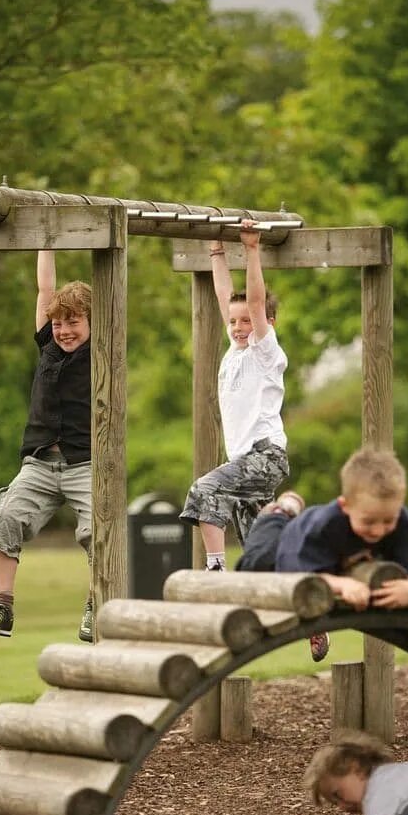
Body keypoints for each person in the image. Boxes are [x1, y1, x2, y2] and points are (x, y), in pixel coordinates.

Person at [0, 250, 94, 642]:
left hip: (86, 462)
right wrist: (46, 241)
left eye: (73, 322)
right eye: (58, 323)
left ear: (93, 322)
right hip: (40, 462)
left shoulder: (103, 353)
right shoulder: (48, 348)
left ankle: (97, 606)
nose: (64, 330)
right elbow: (45, 288)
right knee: (4, 519)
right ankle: (2, 607)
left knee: (101, 531)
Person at [237, 447, 408, 662]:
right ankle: (282, 510)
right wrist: (343, 585)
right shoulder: (327, 526)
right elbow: (302, 576)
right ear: (344, 506)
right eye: (368, 521)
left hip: (329, 552)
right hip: (286, 543)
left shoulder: (402, 521)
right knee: (253, 566)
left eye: (388, 521)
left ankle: (287, 513)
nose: (378, 530)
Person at [179, 221, 289, 571]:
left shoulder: (265, 351)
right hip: (245, 463)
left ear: (268, 323)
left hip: (265, 456)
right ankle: (312, 618)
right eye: (233, 323)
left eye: (246, 322)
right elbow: (226, 297)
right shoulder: (235, 351)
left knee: (203, 490)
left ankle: (214, 568)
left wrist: (253, 250)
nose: (239, 328)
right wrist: (216, 249)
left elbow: (254, 302)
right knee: (259, 557)